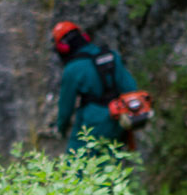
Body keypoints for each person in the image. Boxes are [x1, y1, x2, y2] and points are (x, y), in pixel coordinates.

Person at [52, 21, 139, 153]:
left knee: (76, 160)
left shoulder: (72, 69)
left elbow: (66, 107)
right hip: (119, 118)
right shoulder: (111, 55)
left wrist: (61, 129)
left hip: (92, 120)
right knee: (113, 158)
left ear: (63, 47)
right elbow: (131, 87)